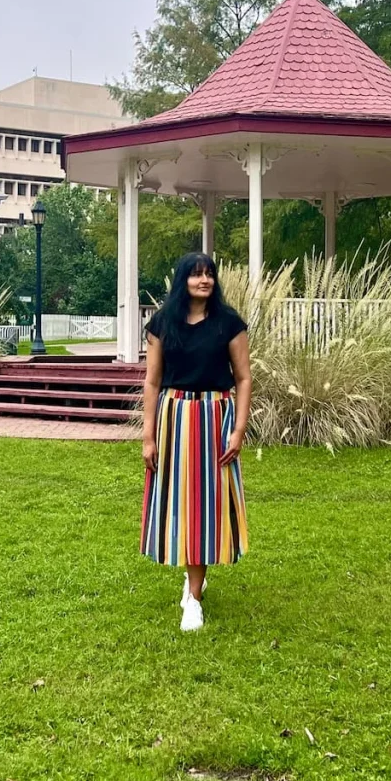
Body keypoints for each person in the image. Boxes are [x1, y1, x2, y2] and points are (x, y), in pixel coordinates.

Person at [140, 252, 251, 632]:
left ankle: (194, 600)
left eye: (209, 274)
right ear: (183, 280)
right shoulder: (163, 323)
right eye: (196, 274)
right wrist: (148, 436)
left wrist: (238, 429)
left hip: (215, 417)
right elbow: (152, 381)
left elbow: (244, 378)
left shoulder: (228, 323)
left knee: (205, 506)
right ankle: (193, 583)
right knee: (181, 502)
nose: (204, 280)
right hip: (175, 418)